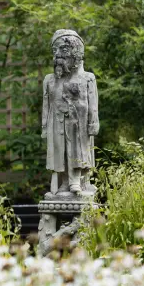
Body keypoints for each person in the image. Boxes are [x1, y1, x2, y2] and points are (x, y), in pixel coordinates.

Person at [41, 29, 98, 197]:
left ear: (76, 52)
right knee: (60, 153)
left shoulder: (87, 78)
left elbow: (93, 102)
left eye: (63, 50)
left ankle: (77, 181)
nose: (58, 55)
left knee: (78, 150)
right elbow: (47, 105)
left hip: (78, 124)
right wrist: (44, 126)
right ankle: (63, 182)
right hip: (57, 123)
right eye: (55, 51)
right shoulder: (49, 80)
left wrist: (93, 122)